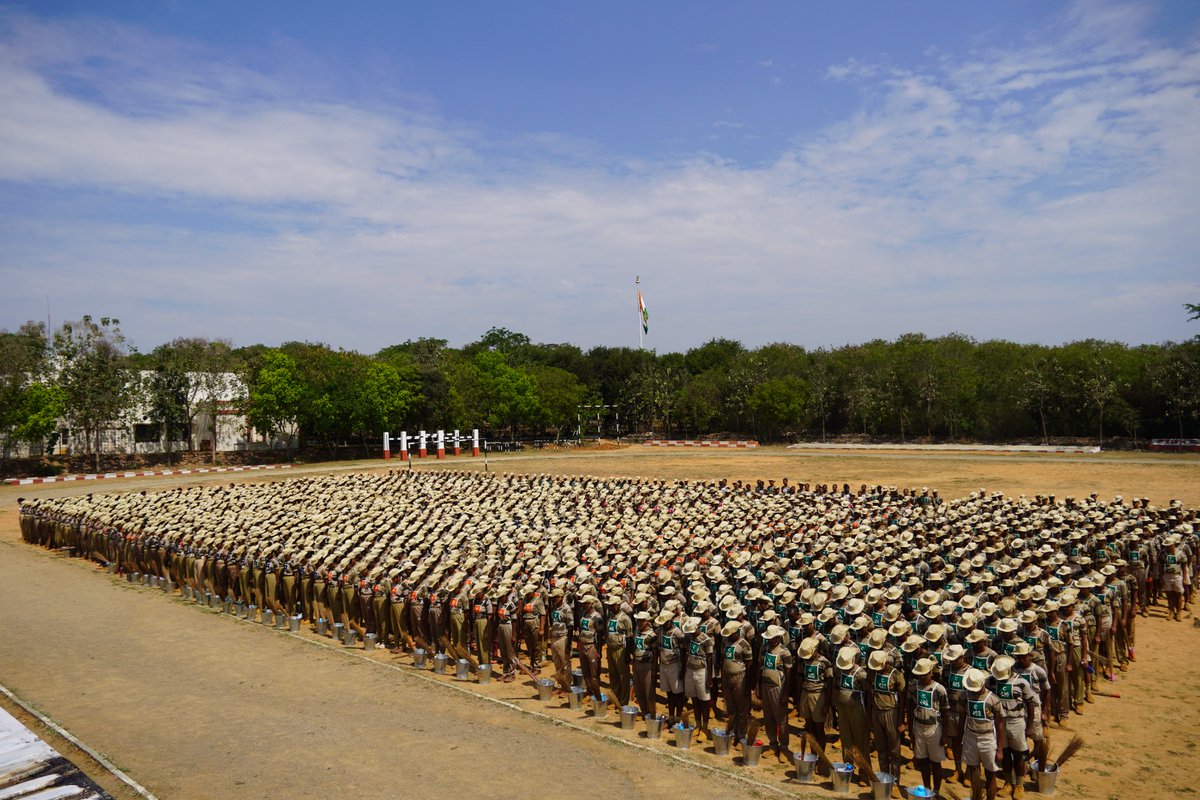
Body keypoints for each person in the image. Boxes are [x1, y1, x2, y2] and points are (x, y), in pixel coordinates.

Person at [991, 655, 1037, 799]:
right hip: (999, 722)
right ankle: (1007, 783)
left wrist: (1029, 726)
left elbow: (1030, 703)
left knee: (1018, 755)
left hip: (1017, 722)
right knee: (1004, 754)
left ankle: (1019, 784)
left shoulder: (1022, 683)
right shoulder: (991, 681)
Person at [959, 667, 1005, 800]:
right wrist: (963, 739)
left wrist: (1000, 748)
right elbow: (962, 717)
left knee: (990, 774)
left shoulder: (993, 700)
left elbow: (999, 724)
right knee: (974, 772)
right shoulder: (965, 697)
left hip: (987, 738)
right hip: (970, 736)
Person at [908, 656, 950, 796]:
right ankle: (926, 788)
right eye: (920, 675)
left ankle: (936, 791)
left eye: (925, 674)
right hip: (919, 726)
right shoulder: (914, 687)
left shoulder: (940, 690)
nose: (923, 677)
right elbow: (910, 707)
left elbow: (945, 712)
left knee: (936, 762)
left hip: (934, 728)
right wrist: (911, 731)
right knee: (923, 761)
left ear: (931, 672)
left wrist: (945, 735)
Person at [868, 647, 905, 794]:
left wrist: (901, 721)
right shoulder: (873, 673)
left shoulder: (896, 675)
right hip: (877, 713)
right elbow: (870, 694)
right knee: (881, 749)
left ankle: (895, 782)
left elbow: (901, 698)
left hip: (892, 713)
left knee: (894, 750)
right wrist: (870, 716)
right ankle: (883, 779)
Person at [833, 644, 872, 787]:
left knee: (861, 741)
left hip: (857, 710)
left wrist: (868, 714)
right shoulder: (839, 671)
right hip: (843, 709)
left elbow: (869, 693)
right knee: (846, 740)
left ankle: (864, 773)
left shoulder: (861, 674)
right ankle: (848, 769)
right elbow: (836, 686)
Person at [796, 636, 833, 768]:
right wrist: (799, 699)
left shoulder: (825, 663)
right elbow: (800, 678)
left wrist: (826, 704)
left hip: (819, 696)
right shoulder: (803, 661)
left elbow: (829, 683)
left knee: (819, 729)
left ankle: (821, 757)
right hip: (806, 694)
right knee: (809, 727)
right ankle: (812, 756)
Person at [758, 625, 793, 761]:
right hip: (765, 685)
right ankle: (773, 744)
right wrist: (757, 686)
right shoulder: (764, 649)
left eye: (771, 638)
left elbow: (789, 673)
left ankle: (784, 747)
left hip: (778, 688)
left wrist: (785, 693)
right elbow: (760, 667)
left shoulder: (785, 652)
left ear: (777, 638)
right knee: (768, 717)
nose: (769, 641)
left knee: (781, 719)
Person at [719, 619, 752, 747]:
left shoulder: (744, 645)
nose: (728, 636)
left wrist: (747, 685)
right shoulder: (725, 642)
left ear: (735, 633)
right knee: (731, 707)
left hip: (740, 677)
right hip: (727, 677)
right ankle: (731, 731)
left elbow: (749, 665)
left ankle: (741, 734)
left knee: (742, 708)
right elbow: (723, 658)